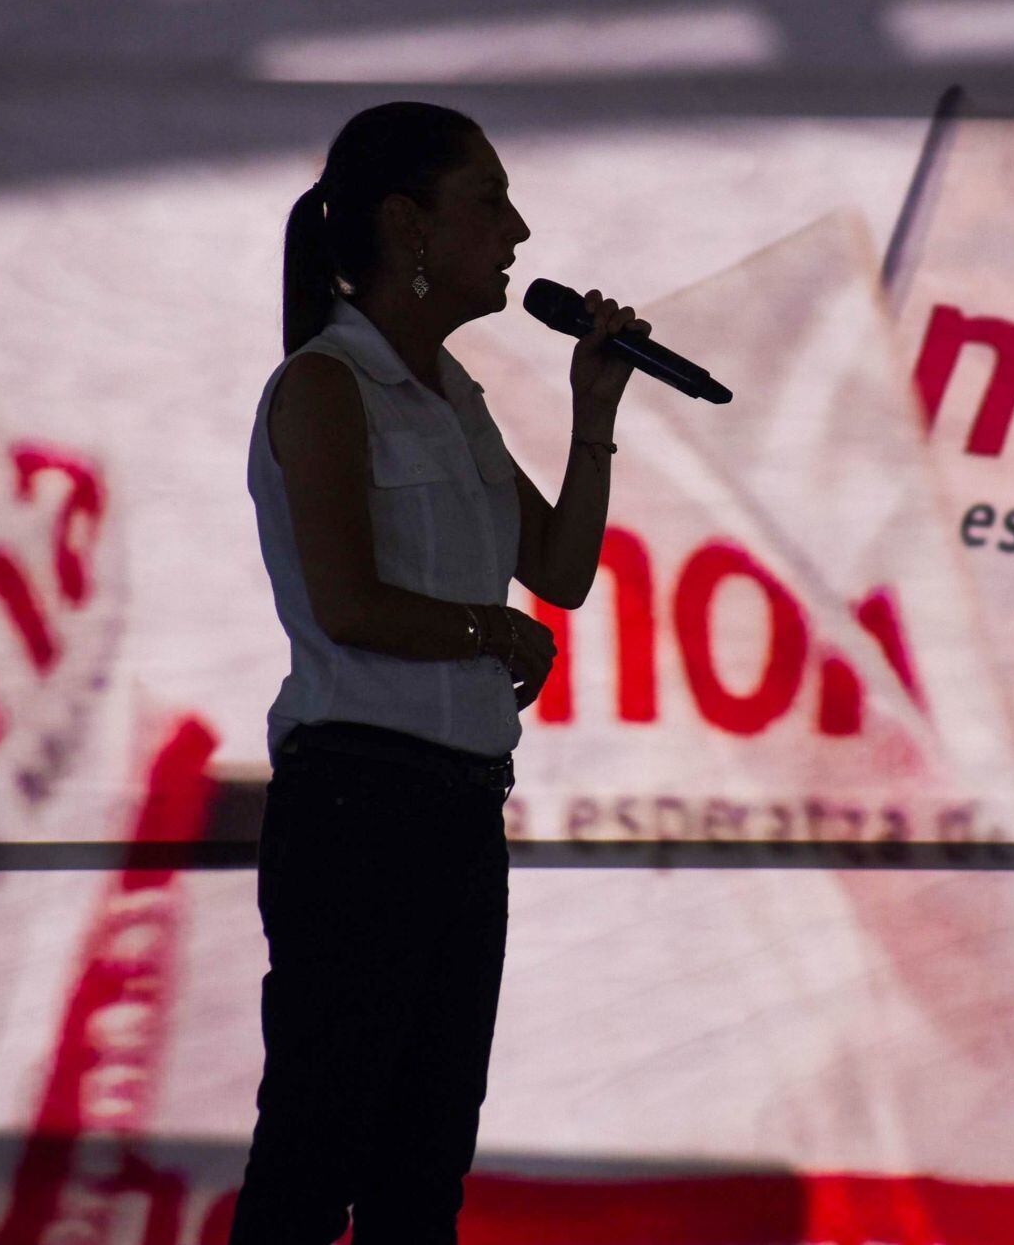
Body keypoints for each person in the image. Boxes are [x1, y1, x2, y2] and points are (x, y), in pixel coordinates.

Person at [231, 101, 649, 1245]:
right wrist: (488, 633)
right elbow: (347, 602)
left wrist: (594, 410)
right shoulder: (325, 386)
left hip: (460, 809)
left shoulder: (455, 399)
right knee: (314, 1155)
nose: (516, 231)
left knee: (424, 1168)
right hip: (357, 803)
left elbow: (559, 571)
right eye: (490, 200)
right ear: (409, 225)